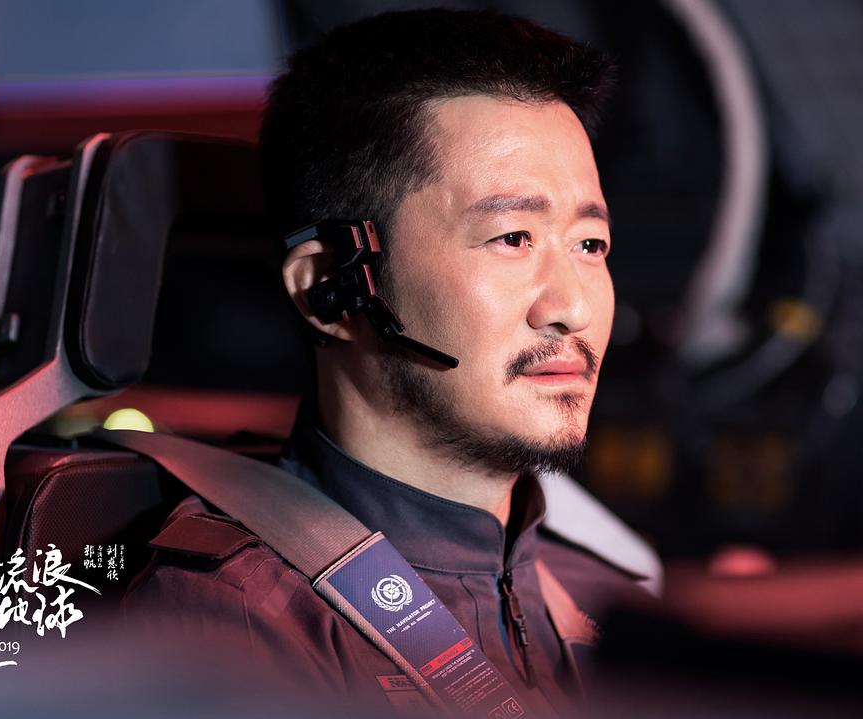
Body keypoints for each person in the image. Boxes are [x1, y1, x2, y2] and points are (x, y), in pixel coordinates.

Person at [123, 8, 660, 715]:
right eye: (512, 237)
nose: (574, 308)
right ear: (331, 288)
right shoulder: (238, 630)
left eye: (589, 245)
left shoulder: (602, 595)